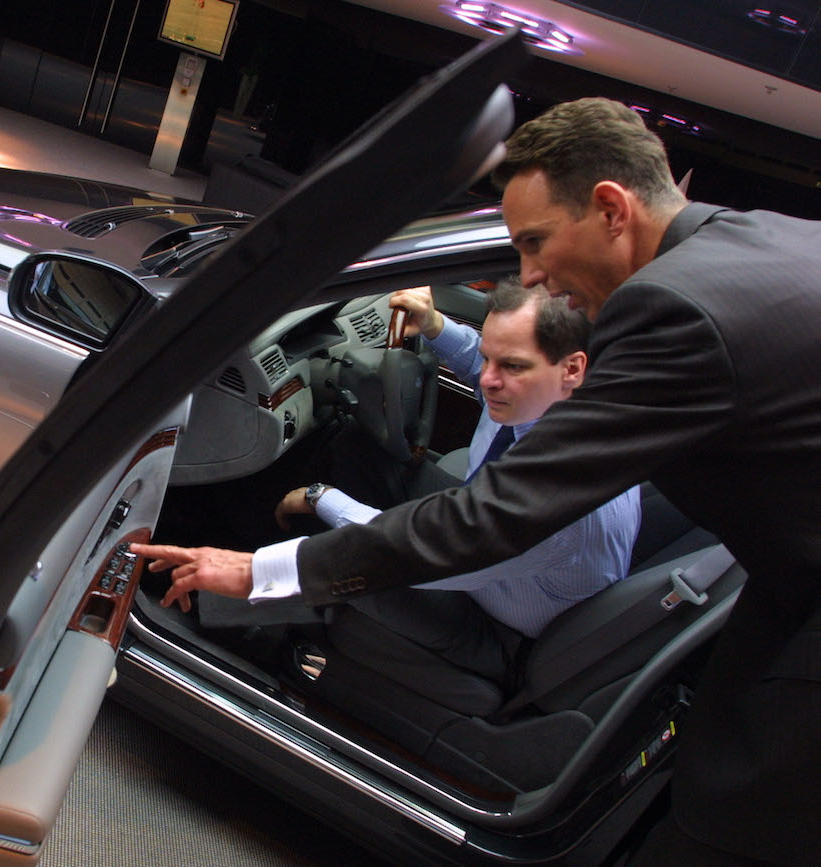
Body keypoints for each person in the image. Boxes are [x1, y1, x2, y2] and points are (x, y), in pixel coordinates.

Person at [133, 97, 821, 864]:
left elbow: (487, 520)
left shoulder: (671, 309)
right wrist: (437, 331)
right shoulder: (764, 241)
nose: (529, 274)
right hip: (781, 585)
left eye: (534, 243)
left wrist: (260, 569)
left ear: (610, 209)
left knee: (716, 836)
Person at [260, 280, 639, 685]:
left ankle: (252, 633)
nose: (489, 380)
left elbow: (422, 554)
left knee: (336, 556)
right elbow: (480, 369)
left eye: (512, 366)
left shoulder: (555, 496)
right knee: (355, 446)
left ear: (572, 369)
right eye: (490, 357)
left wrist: (321, 499)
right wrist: (435, 326)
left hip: (499, 630)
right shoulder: (552, 400)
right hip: (489, 549)